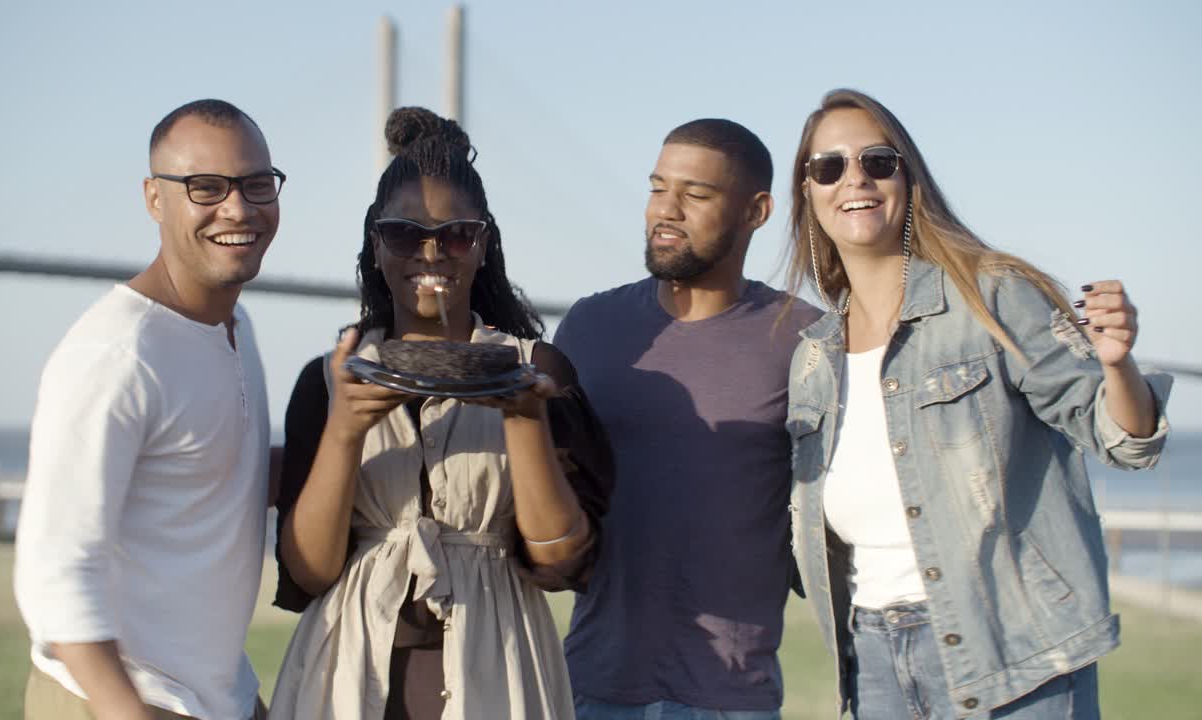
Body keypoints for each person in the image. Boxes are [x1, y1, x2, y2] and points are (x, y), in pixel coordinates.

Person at [783, 88, 1173, 718]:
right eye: (828, 167)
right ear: (809, 192)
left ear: (908, 179)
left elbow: (1122, 439)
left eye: (877, 161)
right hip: (871, 660)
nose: (854, 178)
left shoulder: (992, 297)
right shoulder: (812, 359)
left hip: (1014, 653)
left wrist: (1117, 362)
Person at [267, 106, 613, 720]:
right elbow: (311, 572)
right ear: (376, 245)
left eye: (456, 234)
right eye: (404, 234)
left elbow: (559, 563)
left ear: (483, 245)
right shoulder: (329, 380)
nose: (431, 252)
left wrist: (524, 417)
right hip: (347, 672)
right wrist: (345, 432)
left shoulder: (539, 368)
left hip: (499, 667)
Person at [14, 98, 283, 720]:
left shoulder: (233, 325)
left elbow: (211, 477)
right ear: (155, 199)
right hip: (123, 698)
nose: (238, 208)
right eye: (206, 187)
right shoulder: (117, 353)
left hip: (219, 696)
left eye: (256, 184)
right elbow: (54, 570)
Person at [555, 119, 821, 719]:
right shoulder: (589, 328)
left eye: (696, 194)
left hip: (732, 698)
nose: (666, 210)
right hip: (592, 687)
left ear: (756, 211)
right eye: (657, 188)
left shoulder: (805, 338)